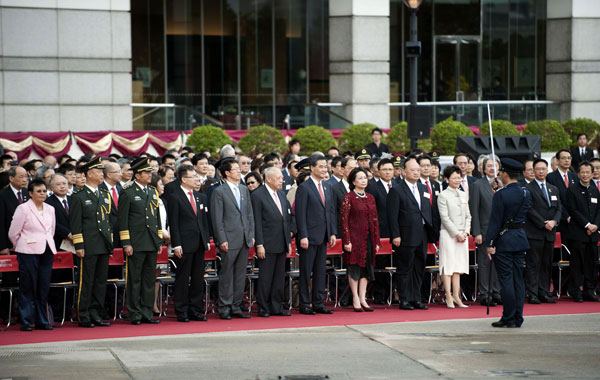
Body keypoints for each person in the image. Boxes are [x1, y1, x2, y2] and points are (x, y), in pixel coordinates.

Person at [485, 158, 531, 328]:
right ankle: (517, 317)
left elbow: (495, 222)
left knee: (506, 280)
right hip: (519, 238)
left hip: (504, 241)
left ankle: (508, 317)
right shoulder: (526, 193)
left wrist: (489, 243)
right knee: (518, 280)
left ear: (504, 174)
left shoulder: (501, 195)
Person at [118, 157, 164, 325]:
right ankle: (135, 313)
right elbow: (123, 220)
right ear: (137, 175)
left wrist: (158, 240)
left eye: (150, 172)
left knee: (149, 279)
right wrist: (126, 243)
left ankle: (147, 312)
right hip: (135, 242)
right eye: (146, 173)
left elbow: (156, 218)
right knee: (134, 280)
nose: (150, 175)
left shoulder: (152, 191)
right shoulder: (127, 191)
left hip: (151, 241)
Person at [69, 157, 113, 328]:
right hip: (88, 245)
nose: (101, 175)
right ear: (88, 174)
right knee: (86, 281)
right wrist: (79, 245)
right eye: (98, 172)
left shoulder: (103, 194)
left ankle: (96, 313)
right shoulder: (78, 196)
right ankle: (84, 314)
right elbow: (76, 224)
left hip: (102, 244)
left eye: (102, 172)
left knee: (101, 281)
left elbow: (107, 221)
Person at [387, 156, 434, 310]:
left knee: (419, 267)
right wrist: (395, 235)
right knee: (405, 267)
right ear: (403, 171)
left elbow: (426, 210)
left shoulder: (423, 188)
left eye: (418, 170)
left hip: (422, 233)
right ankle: (404, 298)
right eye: (413, 170)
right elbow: (392, 215)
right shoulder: (397, 189)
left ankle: (416, 298)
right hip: (405, 235)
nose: (416, 173)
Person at [210, 158, 255, 320]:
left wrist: (251, 235)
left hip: (244, 238)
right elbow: (217, 219)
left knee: (241, 274)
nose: (238, 171)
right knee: (227, 274)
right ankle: (224, 306)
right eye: (235, 169)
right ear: (227, 173)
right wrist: (221, 239)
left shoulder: (243, 190)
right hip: (229, 238)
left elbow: (249, 215)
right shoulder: (219, 192)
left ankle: (236, 305)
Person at [9, 179, 56, 331]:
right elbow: (13, 232)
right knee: (28, 286)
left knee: (43, 286)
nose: (42, 194)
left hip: (47, 250)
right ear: (30, 193)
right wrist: (21, 246)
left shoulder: (50, 208)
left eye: (44, 191)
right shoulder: (23, 208)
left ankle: (42, 320)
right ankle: (27, 320)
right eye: (39, 191)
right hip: (27, 251)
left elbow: (52, 230)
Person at [295, 154, 337, 315]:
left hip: (324, 235)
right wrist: (303, 235)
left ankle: (318, 302)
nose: (324, 169)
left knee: (320, 271)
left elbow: (331, 211)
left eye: (325, 167)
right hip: (309, 236)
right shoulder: (304, 188)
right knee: (306, 271)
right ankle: (305, 303)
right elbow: (301, 214)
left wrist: (332, 232)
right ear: (312, 168)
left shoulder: (327, 186)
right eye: (320, 166)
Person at [168, 164, 210, 322]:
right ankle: (181, 310)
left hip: (199, 243)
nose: (197, 179)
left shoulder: (199, 196)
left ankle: (196, 309)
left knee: (198, 278)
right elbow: (174, 222)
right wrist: (176, 244)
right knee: (183, 278)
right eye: (193, 177)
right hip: (184, 244)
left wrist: (206, 240)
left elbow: (203, 222)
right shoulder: (175, 196)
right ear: (184, 179)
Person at [251, 167, 294, 317]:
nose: (282, 181)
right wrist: (259, 244)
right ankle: (263, 307)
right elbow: (257, 222)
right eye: (278, 178)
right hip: (267, 243)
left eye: (282, 178)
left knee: (279, 277)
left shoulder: (282, 195)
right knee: (266, 278)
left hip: (281, 242)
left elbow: (287, 219)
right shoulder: (258, 195)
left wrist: (288, 241)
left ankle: (277, 306)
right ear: (268, 179)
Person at [341, 168, 380, 312]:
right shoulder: (348, 197)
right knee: (355, 268)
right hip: (354, 239)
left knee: (366, 269)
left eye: (365, 178)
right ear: (353, 181)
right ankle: (355, 297)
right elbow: (344, 221)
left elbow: (375, 220)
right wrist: (347, 240)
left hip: (369, 238)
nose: (364, 180)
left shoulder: (370, 197)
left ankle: (363, 297)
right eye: (360, 178)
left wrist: (376, 241)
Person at [524, 159, 560, 304]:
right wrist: (543, 223)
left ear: (547, 170)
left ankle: (544, 292)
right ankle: (532, 294)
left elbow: (559, 208)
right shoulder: (528, 189)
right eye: (537, 169)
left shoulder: (553, 188)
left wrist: (554, 221)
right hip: (535, 232)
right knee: (533, 264)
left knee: (546, 265)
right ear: (533, 171)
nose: (540, 172)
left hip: (550, 233)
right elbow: (529, 209)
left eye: (543, 169)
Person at [469, 156, 503, 306]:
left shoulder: (502, 185)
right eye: (489, 166)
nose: (492, 168)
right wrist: (476, 232)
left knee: (498, 262)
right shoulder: (477, 185)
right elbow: (474, 210)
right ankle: (485, 292)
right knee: (484, 262)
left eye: (494, 166)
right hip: (484, 230)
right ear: (483, 168)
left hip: (501, 231)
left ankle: (496, 291)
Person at [565, 161, 600, 302]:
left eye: (588, 172)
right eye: (583, 172)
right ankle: (576, 291)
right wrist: (587, 225)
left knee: (592, 263)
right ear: (578, 174)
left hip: (593, 234)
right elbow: (573, 211)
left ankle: (589, 290)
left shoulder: (594, 190)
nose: (585, 175)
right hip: (578, 233)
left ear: (593, 174)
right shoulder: (572, 190)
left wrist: (595, 225)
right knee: (577, 264)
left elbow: (598, 211)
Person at [437, 165, 471, 309]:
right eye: (454, 177)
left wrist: (465, 232)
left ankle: (457, 295)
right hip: (449, 234)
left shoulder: (463, 194)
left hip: (462, 236)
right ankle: (448, 295)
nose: (457, 180)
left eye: (459, 177)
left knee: (458, 266)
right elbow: (444, 218)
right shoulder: (443, 195)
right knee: (448, 265)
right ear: (447, 179)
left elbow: (468, 216)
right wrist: (456, 233)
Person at [0, 166, 30, 254]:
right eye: (21, 177)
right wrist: (2, 246)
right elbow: (1, 222)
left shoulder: (28, 193)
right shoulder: (2, 195)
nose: (25, 180)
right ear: (11, 178)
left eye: (26, 176)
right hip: (10, 245)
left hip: (29, 242)